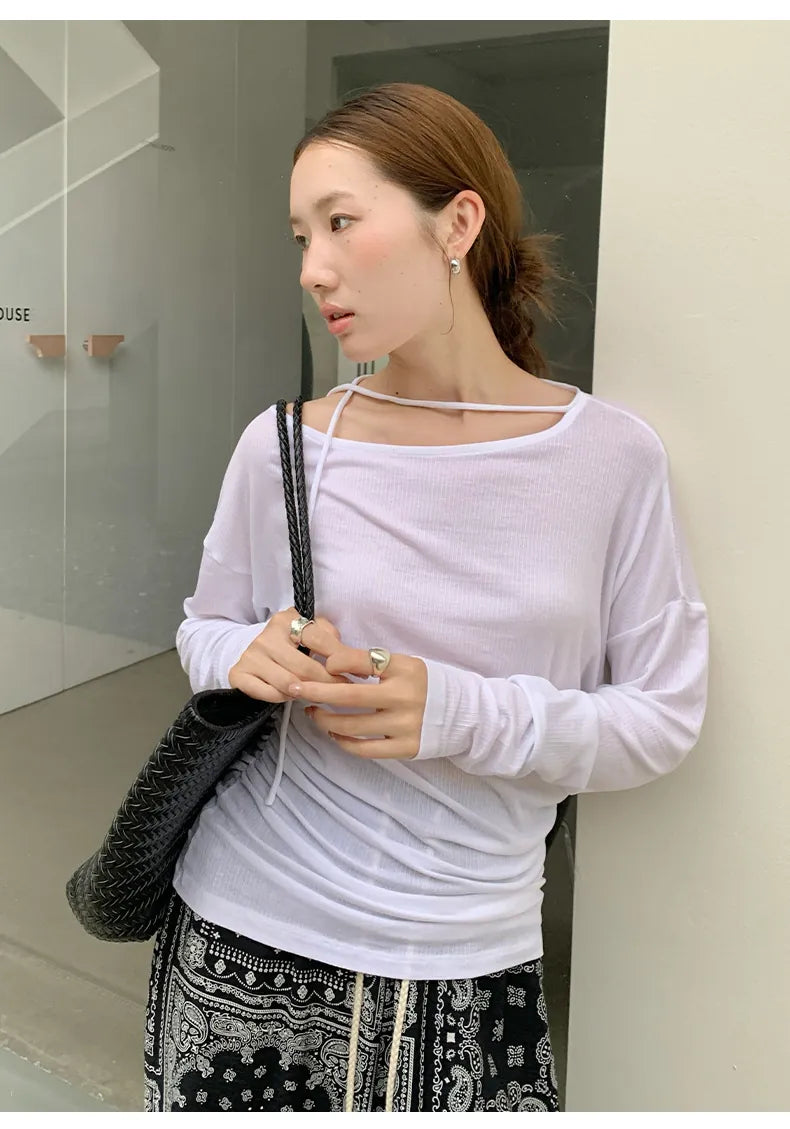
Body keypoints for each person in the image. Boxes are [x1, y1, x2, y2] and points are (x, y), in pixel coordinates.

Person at [143, 83, 709, 1113]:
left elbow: (662, 716)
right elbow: (204, 626)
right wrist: (244, 655)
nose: (312, 268)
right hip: (241, 932)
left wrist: (455, 711)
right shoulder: (285, 445)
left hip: (469, 960)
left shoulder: (609, 458)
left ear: (457, 223)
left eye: (340, 222)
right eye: (301, 236)